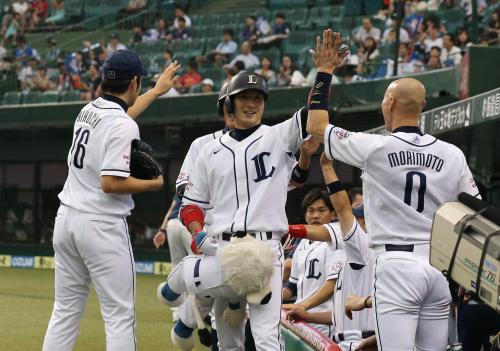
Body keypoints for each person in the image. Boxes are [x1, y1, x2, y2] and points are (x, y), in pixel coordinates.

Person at [306, 29, 481, 351]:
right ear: (423, 106)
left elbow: (315, 126)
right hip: (439, 266)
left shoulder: (375, 146)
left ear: (389, 102)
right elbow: (473, 214)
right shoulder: (452, 154)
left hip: (396, 264)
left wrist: (325, 71)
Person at [41, 51, 180, 351]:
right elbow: (111, 183)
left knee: (64, 312)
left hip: (67, 222)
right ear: (134, 81)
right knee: (119, 317)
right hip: (101, 225)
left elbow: (122, 117)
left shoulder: (88, 110)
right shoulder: (122, 125)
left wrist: (156, 91)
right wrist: (154, 183)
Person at [180, 71, 311, 350]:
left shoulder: (277, 136)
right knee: (227, 339)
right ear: (229, 104)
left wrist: (324, 73)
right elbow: (191, 204)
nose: (251, 104)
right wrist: (197, 232)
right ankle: (184, 319)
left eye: (258, 98)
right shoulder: (209, 150)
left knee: (265, 337)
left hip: (264, 250)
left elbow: (314, 114)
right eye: (244, 98)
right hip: (223, 249)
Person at [286, 154, 374, 351]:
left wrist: (280, 227)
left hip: (359, 340)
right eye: (311, 210)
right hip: (343, 338)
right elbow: (338, 313)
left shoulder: (361, 246)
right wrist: (305, 313)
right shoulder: (348, 251)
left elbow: (342, 209)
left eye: (359, 220)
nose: (352, 225)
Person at [282, 188, 343, 338]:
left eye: (322, 210)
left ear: (333, 214)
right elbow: (292, 285)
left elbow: (332, 284)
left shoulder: (337, 241)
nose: (315, 215)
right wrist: (274, 298)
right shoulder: (302, 242)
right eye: (311, 210)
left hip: (324, 321)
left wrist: (302, 305)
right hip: (299, 319)